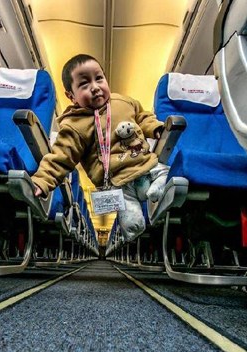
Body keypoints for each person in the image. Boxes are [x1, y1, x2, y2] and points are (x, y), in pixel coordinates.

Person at [31, 53, 169, 242]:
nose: (95, 87)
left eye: (99, 79)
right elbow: (61, 157)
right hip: (117, 183)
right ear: (71, 96)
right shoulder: (74, 126)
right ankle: (132, 223)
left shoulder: (124, 102)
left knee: (163, 173)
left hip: (145, 165)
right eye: (84, 84)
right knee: (130, 215)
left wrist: (156, 128)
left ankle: (160, 187)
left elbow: (143, 116)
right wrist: (42, 180)